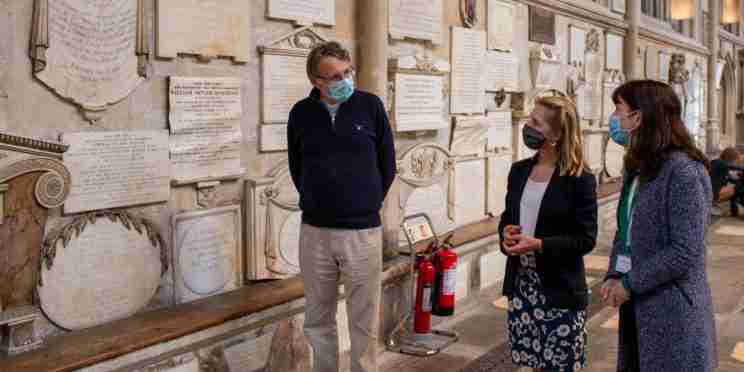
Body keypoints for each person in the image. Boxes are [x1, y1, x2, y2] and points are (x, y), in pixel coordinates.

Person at [287, 41, 396, 372]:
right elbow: (297, 166)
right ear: (316, 81)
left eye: (347, 71)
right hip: (315, 232)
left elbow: (387, 165)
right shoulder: (301, 114)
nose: (344, 79)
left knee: (362, 320)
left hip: (362, 232)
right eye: (334, 75)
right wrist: (317, 199)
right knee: (318, 319)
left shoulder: (370, 107)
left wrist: (364, 201)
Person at [601, 80, 717, 372]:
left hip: (673, 312)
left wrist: (629, 283)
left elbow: (683, 250)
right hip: (639, 306)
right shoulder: (637, 165)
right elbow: (624, 230)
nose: (614, 119)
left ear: (638, 117)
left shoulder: (684, 171)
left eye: (619, 109)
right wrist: (615, 272)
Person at [498, 96, 598, 372]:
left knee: (560, 366)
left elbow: (586, 239)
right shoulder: (519, 171)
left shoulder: (579, 178)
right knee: (529, 364)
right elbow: (507, 219)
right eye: (530, 118)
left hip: (559, 289)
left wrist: (539, 244)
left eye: (535, 122)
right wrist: (505, 234)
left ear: (556, 134)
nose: (527, 125)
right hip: (522, 286)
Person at [710, 147, 744, 216]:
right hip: (712, 194)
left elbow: (734, 176)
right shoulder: (718, 162)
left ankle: (734, 209)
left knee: (739, 184)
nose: (737, 162)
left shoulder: (722, 167)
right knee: (740, 186)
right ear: (732, 158)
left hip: (714, 193)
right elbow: (734, 168)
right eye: (736, 160)